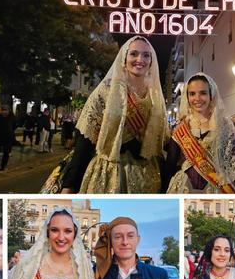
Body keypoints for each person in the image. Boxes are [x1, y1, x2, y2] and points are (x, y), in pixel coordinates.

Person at [55, 36, 168, 194]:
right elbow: (85, 139)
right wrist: (70, 184)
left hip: (147, 175)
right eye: (134, 54)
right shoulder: (106, 91)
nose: (140, 59)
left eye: (146, 55)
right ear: (124, 58)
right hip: (108, 173)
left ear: (151, 61)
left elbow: (162, 140)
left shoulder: (155, 96)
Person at [166, 73, 235, 193]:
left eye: (203, 93)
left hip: (217, 188)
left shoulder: (224, 126)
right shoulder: (180, 128)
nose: (197, 98)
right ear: (187, 97)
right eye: (192, 94)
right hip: (183, 188)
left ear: (211, 95)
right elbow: (170, 166)